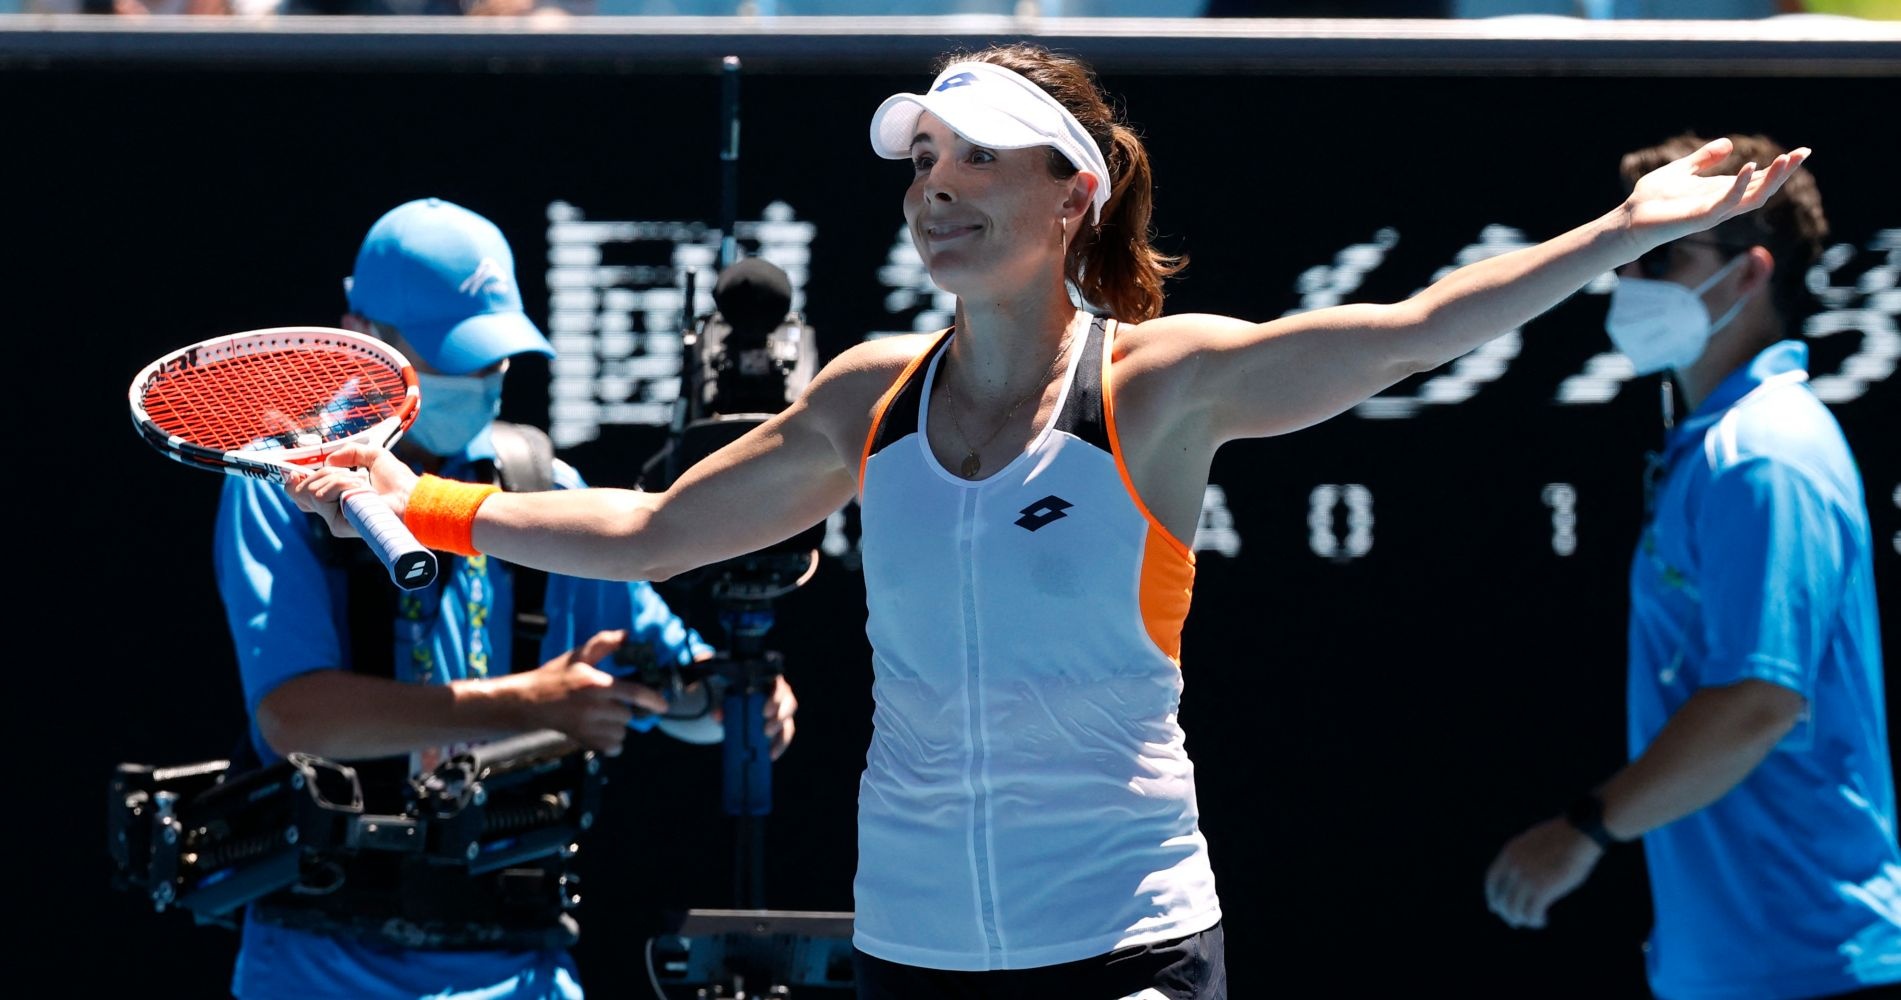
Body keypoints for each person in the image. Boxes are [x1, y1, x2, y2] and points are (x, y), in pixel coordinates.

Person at [291, 46, 1806, 1000]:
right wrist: (409, 494)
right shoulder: (869, 396)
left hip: (1131, 936)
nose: (933, 191)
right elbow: (647, 533)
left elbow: (1414, 327)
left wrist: (1625, 232)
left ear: (1070, 194)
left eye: (974, 160)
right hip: (917, 947)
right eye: (922, 165)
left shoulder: (1162, 388)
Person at [214, 196, 798, 1000]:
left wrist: (730, 703)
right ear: (361, 336)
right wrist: (531, 704)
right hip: (322, 964)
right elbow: (295, 720)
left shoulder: (540, 487)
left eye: (495, 362)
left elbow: (667, 676)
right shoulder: (289, 484)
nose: (481, 383)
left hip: (525, 966)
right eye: (454, 360)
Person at [1483, 134, 1899, 999]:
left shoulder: (1763, 456)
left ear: (1747, 274)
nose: (1629, 278)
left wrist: (1584, 831)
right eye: (1628, 249)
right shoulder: (1721, 448)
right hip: (1744, 959)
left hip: (1807, 961)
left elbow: (1759, 700)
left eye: (1661, 255)